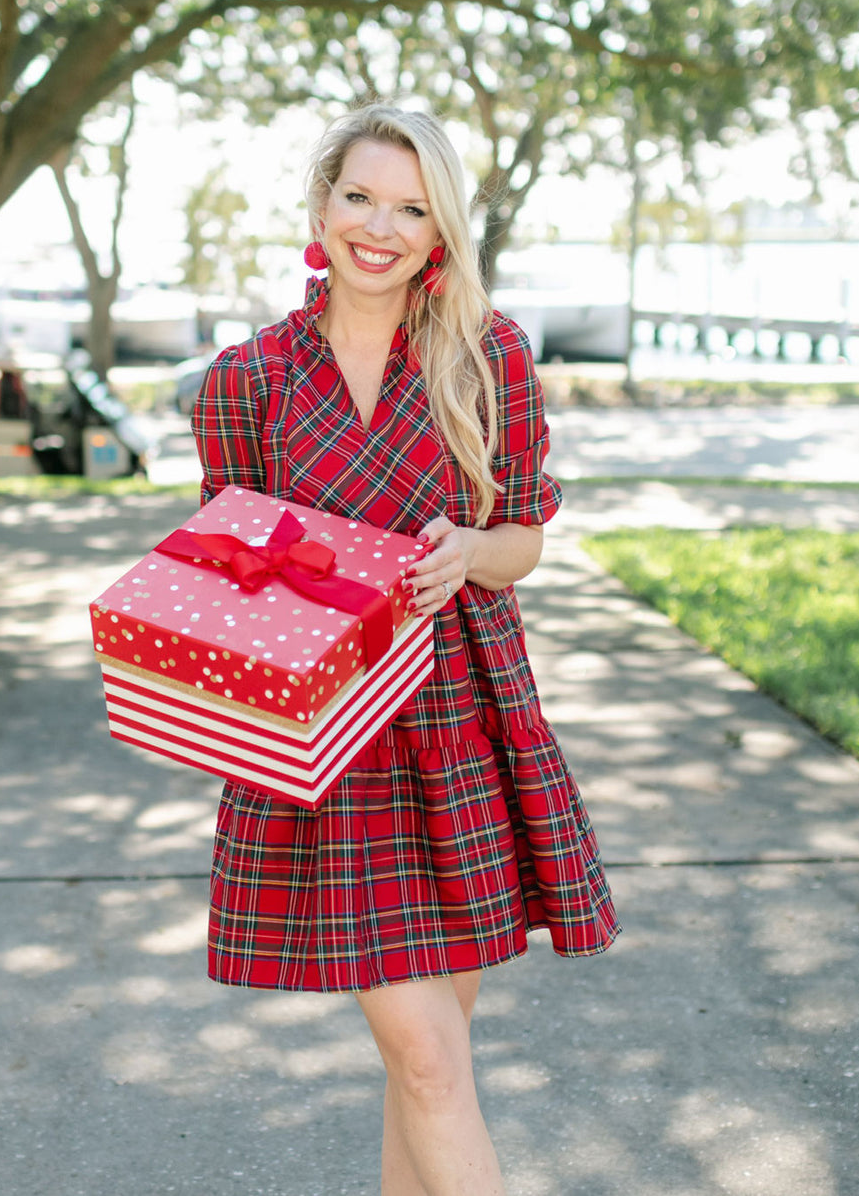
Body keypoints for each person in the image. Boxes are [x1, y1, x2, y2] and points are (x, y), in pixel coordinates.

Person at [192, 103, 619, 1196]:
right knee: (427, 1056)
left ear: (441, 232)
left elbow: (521, 536)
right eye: (359, 197)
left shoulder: (488, 356)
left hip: (462, 721)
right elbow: (226, 569)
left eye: (410, 208)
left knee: (424, 1062)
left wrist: (470, 547)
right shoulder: (249, 380)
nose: (377, 228)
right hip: (330, 740)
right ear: (321, 202)